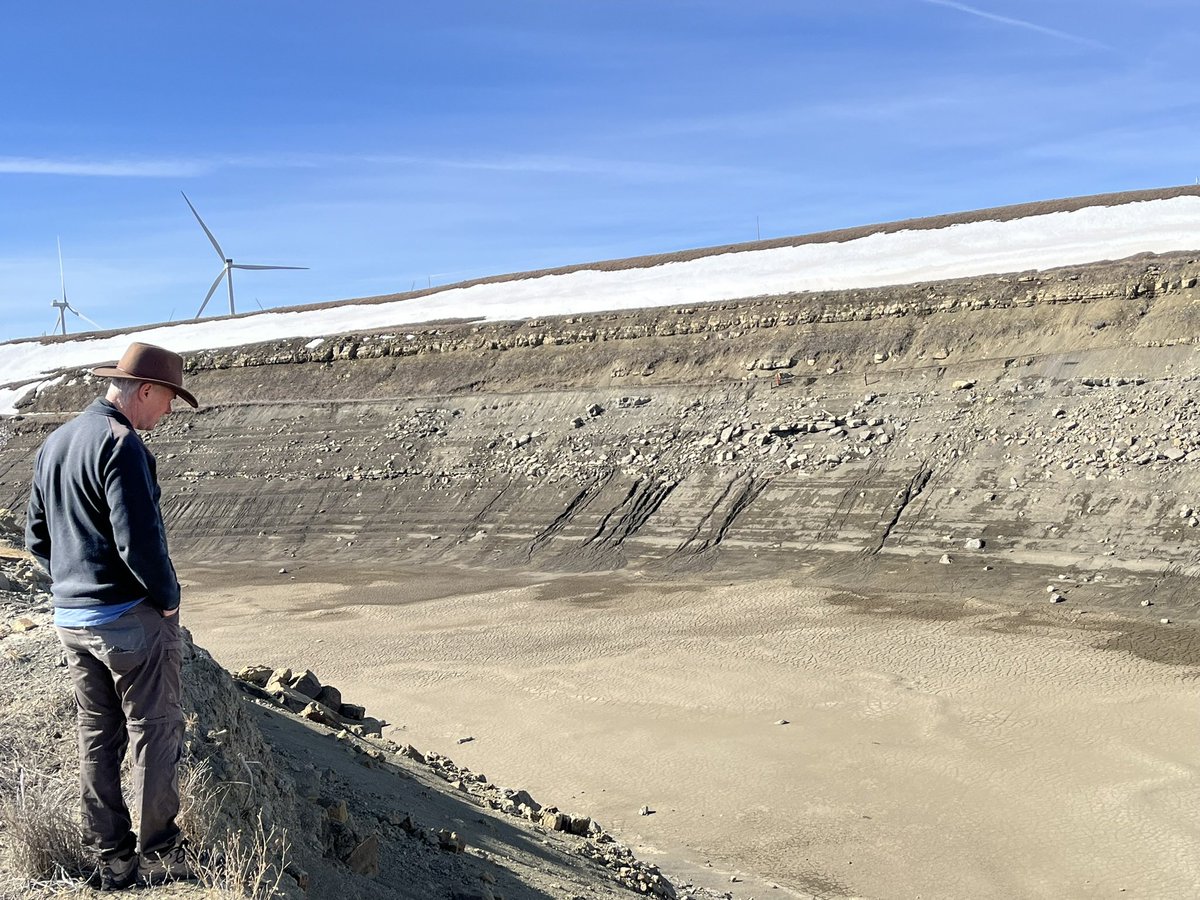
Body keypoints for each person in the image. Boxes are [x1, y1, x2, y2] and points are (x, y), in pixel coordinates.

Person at [25, 342, 199, 890]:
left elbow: (36, 538)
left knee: (96, 736)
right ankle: (161, 855)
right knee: (154, 731)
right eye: (169, 399)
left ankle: (112, 858)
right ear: (145, 390)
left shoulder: (55, 442)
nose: (168, 413)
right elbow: (139, 543)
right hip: (128, 619)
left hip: (70, 618)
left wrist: (75, 584)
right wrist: (168, 599)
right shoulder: (121, 445)